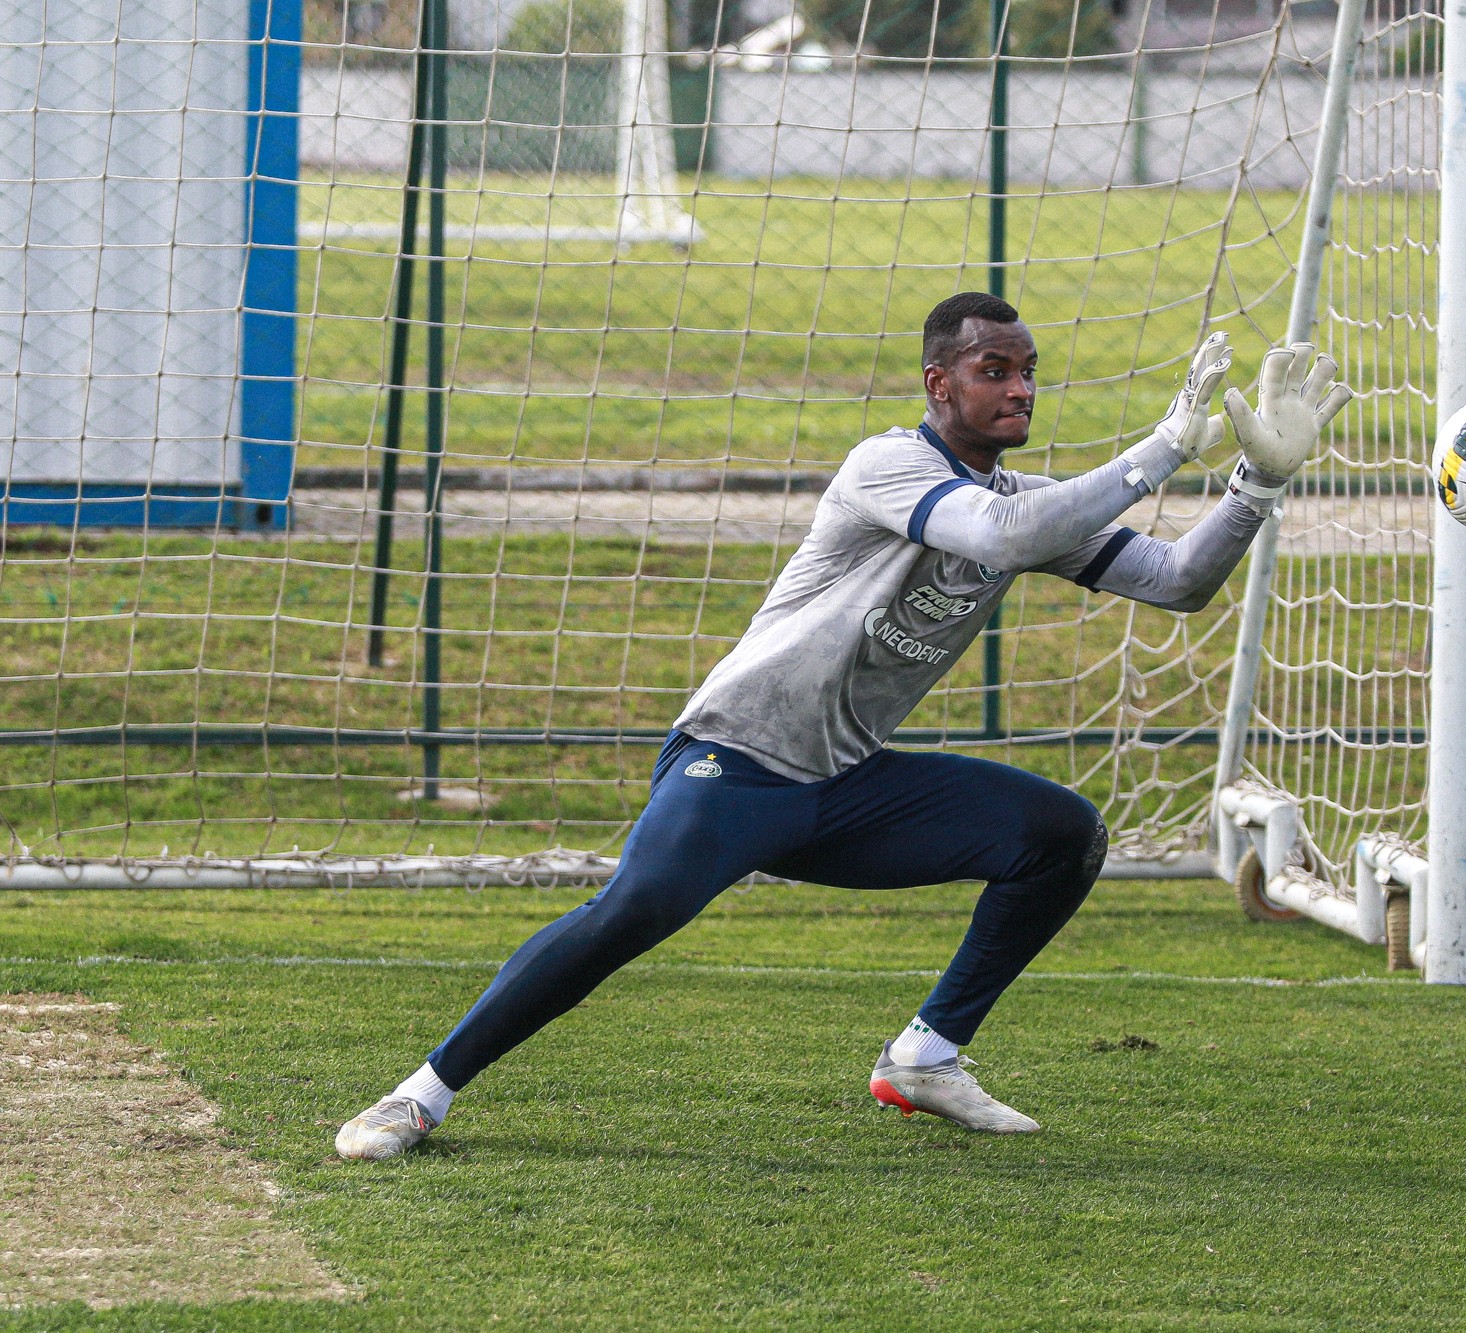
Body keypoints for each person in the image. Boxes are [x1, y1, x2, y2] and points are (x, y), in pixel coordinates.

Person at [336, 291, 1351, 1158]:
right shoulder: (887, 466)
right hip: (737, 764)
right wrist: (1162, 449)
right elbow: (1000, 534)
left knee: (1060, 835)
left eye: (1029, 373)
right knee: (628, 917)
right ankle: (418, 1095)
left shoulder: (1031, 500)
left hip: (843, 785)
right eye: (995, 371)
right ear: (938, 384)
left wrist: (1255, 485)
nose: (1021, 390)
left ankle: (925, 1057)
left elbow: (1178, 583)